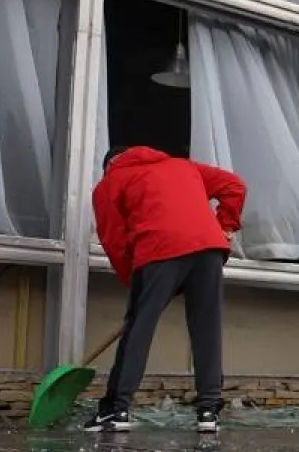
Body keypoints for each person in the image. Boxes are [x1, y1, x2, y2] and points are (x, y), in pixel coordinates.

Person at [86, 146, 246, 433]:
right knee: (206, 328)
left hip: (158, 251)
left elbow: (114, 240)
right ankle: (208, 411)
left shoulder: (109, 184)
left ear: (109, 166)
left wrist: (137, 283)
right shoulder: (183, 166)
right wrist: (225, 226)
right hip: (209, 249)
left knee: (139, 327)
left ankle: (116, 409)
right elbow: (234, 186)